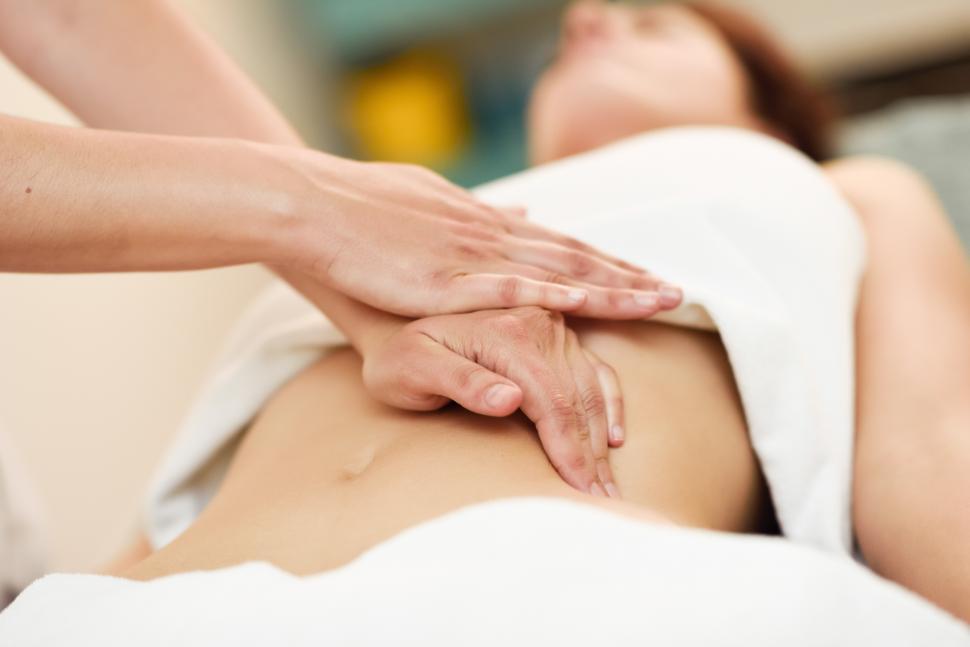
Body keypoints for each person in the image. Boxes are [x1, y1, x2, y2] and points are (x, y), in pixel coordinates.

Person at [4, 0, 970, 630]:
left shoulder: (833, 188)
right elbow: (164, 512)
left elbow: (925, 458)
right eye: (579, 31)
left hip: (557, 589)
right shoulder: (369, 223)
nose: (592, 15)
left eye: (654, 25)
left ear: (766, 120)